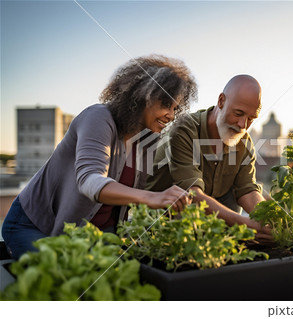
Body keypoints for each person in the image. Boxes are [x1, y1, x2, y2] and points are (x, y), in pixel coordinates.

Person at [2, 54, 198, 260]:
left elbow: (139, 193)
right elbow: (89, 181)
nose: (171, 115)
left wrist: (172, 204)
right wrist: (152, 198)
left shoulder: (149, 139)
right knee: (61, 279)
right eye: (166, 105)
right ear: (141, 96)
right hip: (35, 225)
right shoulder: (98, 118)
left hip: (97, 232)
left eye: (175, 109)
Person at [146, 74, 271, 240]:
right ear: (221, 101)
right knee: (185, 201)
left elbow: (247, 189)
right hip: (163, 219)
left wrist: (268, 222)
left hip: (210, 219)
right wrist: (245, 225)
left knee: (243, 189)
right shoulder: (184, 130)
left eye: (251, 118)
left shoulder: (244, 142)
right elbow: (192, 194)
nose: (243, 125)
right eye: (238, 113)